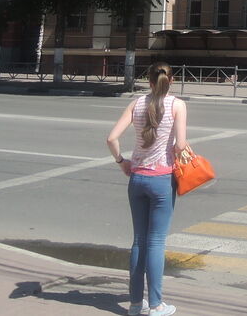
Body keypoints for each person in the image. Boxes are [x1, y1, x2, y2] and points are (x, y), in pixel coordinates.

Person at [107, 62, 189, 316]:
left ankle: (134, 304)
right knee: (155, 242)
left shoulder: (136, 104)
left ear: (149, 81)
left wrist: (123, 162)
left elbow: (111, 138)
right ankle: (156, 305)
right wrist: (177, 146)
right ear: (171, 81)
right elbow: (180, 146)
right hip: (162, 180)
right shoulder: (177, 105)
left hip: (137, 179)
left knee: (139, 241)